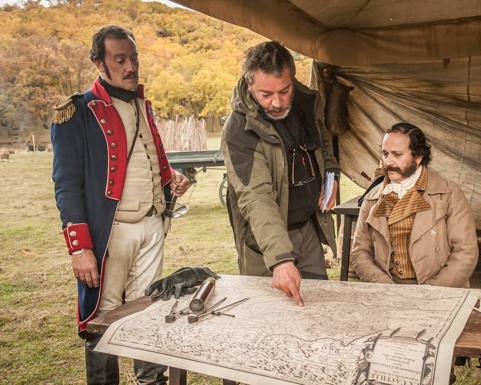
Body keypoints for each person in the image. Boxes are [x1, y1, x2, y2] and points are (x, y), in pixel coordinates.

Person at [51, 25, 190, 385]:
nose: (131, 67)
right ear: (99, 63)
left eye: (134, 58)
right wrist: (80, 248)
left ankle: (151, 381)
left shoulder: (143, 104)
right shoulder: (78, 111)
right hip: (110, 233)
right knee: (103, 316)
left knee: (150, 309)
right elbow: (66, 184)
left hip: (152, 227)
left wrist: (170, 177)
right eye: (120, 60)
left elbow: (143, 160)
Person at [222, 41, 340, 305]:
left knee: (318, 308)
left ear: (292, 79)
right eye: (266, 94)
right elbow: (256, 197)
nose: (276, 102)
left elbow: (322, 143)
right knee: (270, 319)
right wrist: (280, 258)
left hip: (307, 231)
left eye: (284, 91)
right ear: (250, 85)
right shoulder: (239, 131)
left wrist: (331, 174)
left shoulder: (307, 103)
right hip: (263, 243)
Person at [351, 122, 477, 287]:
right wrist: (385, 287)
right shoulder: (372, 198)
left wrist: (431, 291)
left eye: (397, 154)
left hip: (441, 290)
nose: (388, 162)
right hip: (388, 289)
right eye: (385, 154)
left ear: (418, 157)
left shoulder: (449, 194)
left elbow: (466, 252)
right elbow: (360, 252)